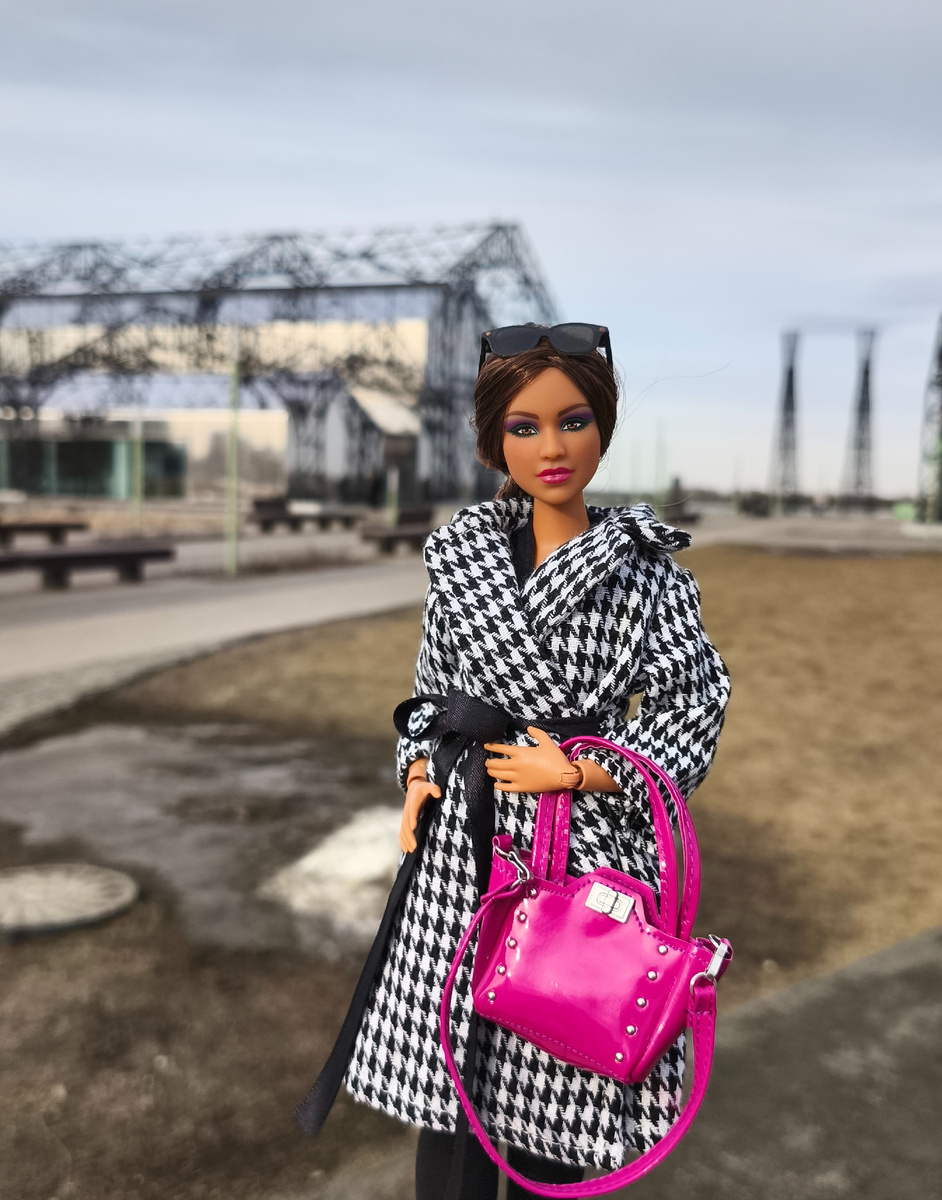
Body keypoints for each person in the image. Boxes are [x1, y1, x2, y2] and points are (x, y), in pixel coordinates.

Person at [329, 324, 730, 1198]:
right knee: (453, 1093)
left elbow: (695, 700)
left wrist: (589, 770)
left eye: (573, 421)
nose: (552, 448)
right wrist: (417, 774)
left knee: (556, 1062)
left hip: (578, 850)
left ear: (603, 428)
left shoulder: (649, 576)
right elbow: (433, 689)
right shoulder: (463, 561)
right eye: (525, 427)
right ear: (493, 441)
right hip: (463, 847)